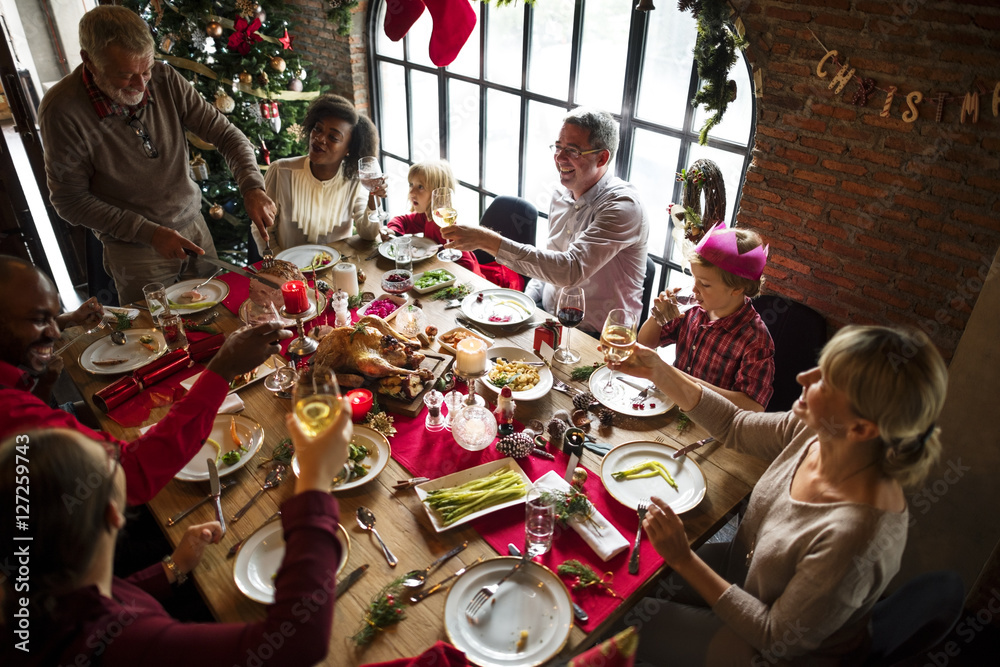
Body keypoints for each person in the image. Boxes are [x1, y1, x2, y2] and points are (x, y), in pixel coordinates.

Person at [609, 325, 947, 665]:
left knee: (619, 624)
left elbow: (773, 635)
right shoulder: (817, 430)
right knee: (622, 585)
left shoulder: (857, 535)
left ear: (861, 428)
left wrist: (684, 559)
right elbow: (735, 426)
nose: (803, 377)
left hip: (767, 651)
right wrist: (659, 370)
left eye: (826, 380)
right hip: (741, 572)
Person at [0, 404, 351, 666]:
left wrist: (171, 568)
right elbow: (297, 641)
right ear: (112, 513)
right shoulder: (120, 645)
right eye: (110, 458)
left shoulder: (33, 594)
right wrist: (315, 483)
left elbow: (114, 596)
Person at [0, 255, 291, 505]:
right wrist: (222, 369)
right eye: (39, 320)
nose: (54, 333)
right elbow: (132, 475)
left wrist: (46, 383)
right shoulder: (8, 411)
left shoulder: (17, 391)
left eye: (55, 318)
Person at [37, 6, 277, 305]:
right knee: (161, 337)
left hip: (194, 227)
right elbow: (68, 200)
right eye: (126, 75)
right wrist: (148, 233)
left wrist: (252, 186)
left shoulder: (164, 78)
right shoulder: (62, 110)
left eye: (146, 70)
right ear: (90, 61)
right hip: (134, 249)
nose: (141, 85)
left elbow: (227, 135)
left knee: (219, 318)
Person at [441, 107, 648, 334]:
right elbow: (552, 259)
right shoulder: (560, 194)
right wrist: (524, 304)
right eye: (558, 147)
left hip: (600, 337)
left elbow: (569, 270)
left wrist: (487, 240)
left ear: (602, 157)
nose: (559, 158)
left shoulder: (623, 206)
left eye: (572, 150)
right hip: (549, 317)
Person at [638, 221, 774, 411]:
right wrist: (658, 318)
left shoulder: (755, 340)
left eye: (704, 284)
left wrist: (685, 382)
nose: (694, 289)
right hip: (672, 408)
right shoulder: (693, 309)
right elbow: (645, 343)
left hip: (711, 424)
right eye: (694, 279)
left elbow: (753, 407)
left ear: (737, 289)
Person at [252, 94, 386, 256]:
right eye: (317, 128)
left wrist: (373, 197)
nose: (319, 138)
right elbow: (261, 229)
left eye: (333, 137)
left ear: (348, 149)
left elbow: (369, 234)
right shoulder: (281, 171)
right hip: (290, 273)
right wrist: (281, 265)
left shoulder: (354, 180)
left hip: (337, 270)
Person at [387, 160, 482, 276]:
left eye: (420, 187)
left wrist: (437, 271)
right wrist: (393, 231)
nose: (412, 192)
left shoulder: (441, 224)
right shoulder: (426, 216)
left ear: (437, 193)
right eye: (411, 184)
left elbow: (468, 265)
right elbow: (403, 220)